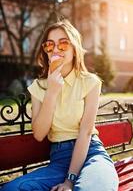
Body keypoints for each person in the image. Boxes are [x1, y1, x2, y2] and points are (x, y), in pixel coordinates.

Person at [1, 18, 119, 191]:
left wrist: (70, 181)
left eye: (63, 44)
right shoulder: (38, 87)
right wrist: (51, 92)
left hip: (90, 153)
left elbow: (86, 133)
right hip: (59, 159)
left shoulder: (90, 82)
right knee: (12, 189)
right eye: (49, 45)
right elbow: (40, 134)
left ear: (74, 48)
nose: (55, 49)